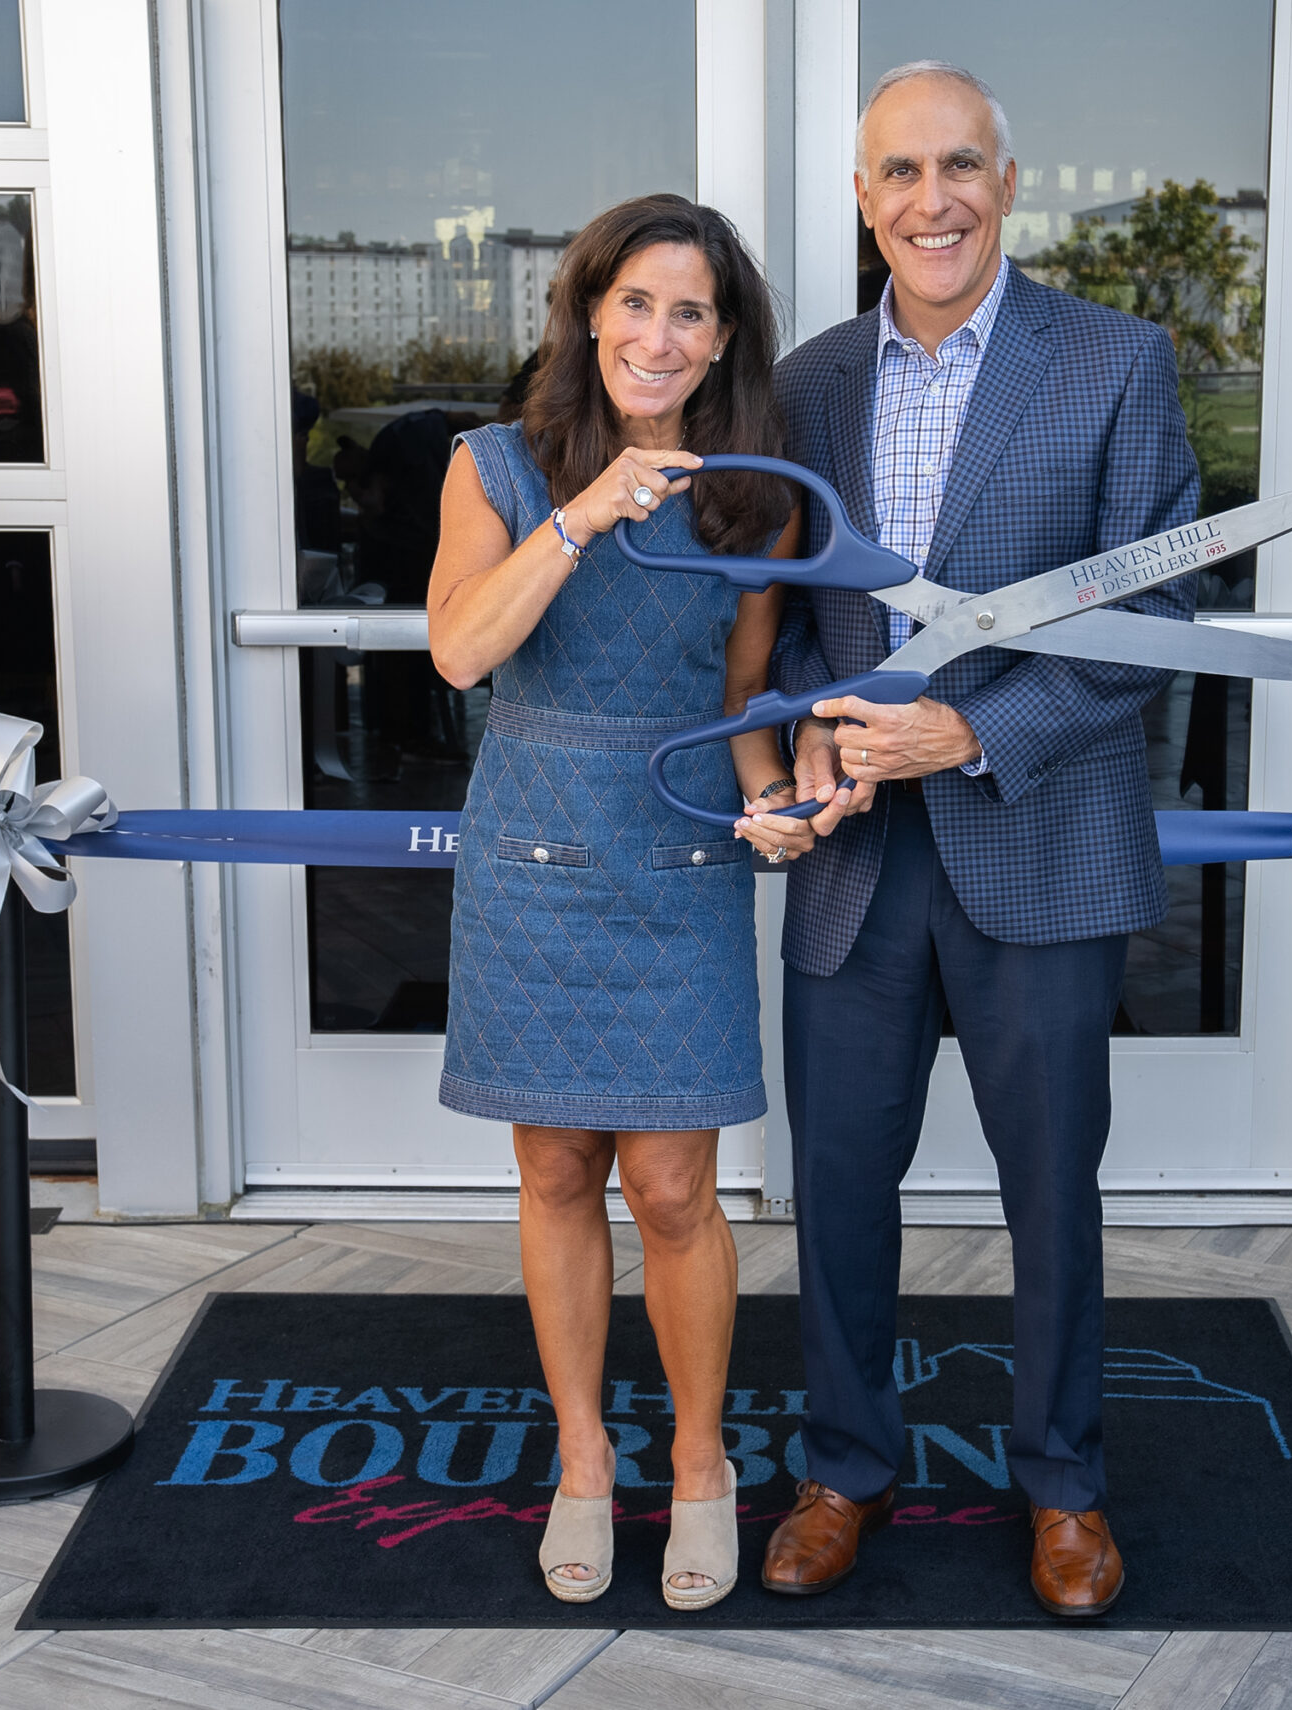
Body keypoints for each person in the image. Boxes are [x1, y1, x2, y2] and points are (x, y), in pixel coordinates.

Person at [758, 60, 1199, 1619]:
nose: (930, 200)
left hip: (1043, 843)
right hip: (859, 864)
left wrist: (976, 730)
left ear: (1010, 184)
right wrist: (818, 726)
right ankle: (842, 1466)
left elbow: (1159, 610)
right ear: (864, 198)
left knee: (1051, 1194)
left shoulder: (1114, 361)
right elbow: (786, 614)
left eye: (960, 167)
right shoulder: (804, 383)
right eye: (898, 173)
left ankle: (1064, 1488)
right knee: (842, 1186)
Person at [426, 193, 817, 1609]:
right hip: (533, 859)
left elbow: (740, 705)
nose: (659, 335)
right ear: (588, 312)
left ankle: (700, 1462)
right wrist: (584, 513)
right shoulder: (496, 467)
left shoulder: (755, 499)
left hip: (676, 861)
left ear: (722, 345)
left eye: (691, 312)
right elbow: (462, 650)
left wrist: (772, 799)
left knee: (671, 1183)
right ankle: (584, 1456)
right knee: (553, 1173)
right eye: (636, 303)